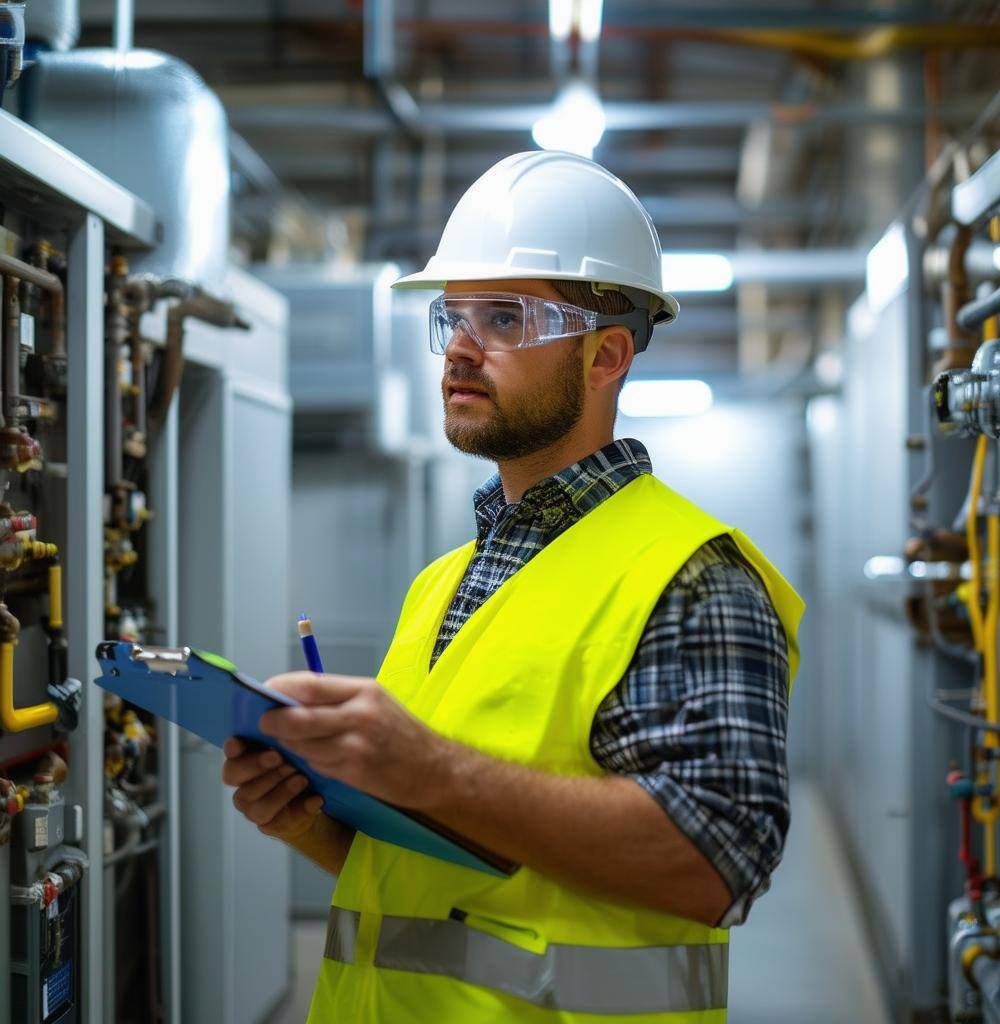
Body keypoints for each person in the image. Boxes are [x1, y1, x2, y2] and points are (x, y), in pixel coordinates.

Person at [222, 151, 804, 1023]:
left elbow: (718, 864)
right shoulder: (442, 584)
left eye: (504, 318)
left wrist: (433, 770)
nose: (459, 346)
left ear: (606, 356)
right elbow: (435, 874)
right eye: (452, 315)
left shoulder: (692, 575)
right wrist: (311, 821)